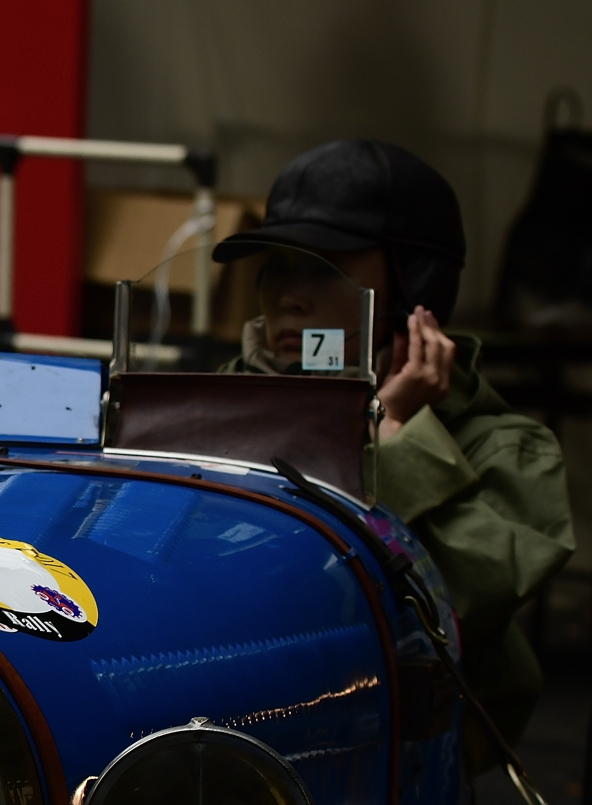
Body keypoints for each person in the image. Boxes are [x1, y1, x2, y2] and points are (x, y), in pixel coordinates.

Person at [214, 139, 575, 768]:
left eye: (324, 268)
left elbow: (447, 608)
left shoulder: (506, 450)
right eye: (276, 268)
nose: (289, 298)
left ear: (413, 288)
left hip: (393, 768)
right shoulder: (213, 405)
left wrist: (392, 436)